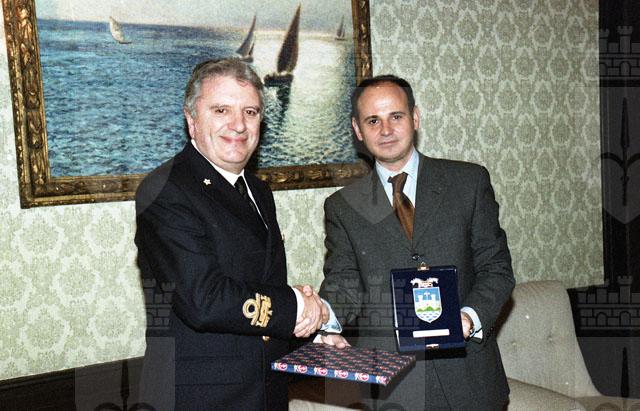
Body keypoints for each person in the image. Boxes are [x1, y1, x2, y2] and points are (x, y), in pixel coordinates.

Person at [135, 59, 329, 411]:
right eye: (221, 110)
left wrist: (313, 336)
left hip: (265, 393)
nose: (238, 125)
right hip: (199, 399)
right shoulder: (165, 190)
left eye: (250, 112)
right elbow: (203, 300)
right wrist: (298, 305)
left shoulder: (259, 191)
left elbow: (256, 294)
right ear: (191, 119)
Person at [318, 75, 516, 410]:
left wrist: (468, 318)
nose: (385, 130)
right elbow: (344, 284)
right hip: (392, 385)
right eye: (372, 120)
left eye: (395, 116)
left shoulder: (468, 182)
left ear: (415, 118)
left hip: (468, 378)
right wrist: (326, 318)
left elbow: (496, 269)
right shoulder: (343, 206)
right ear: (357, 130)